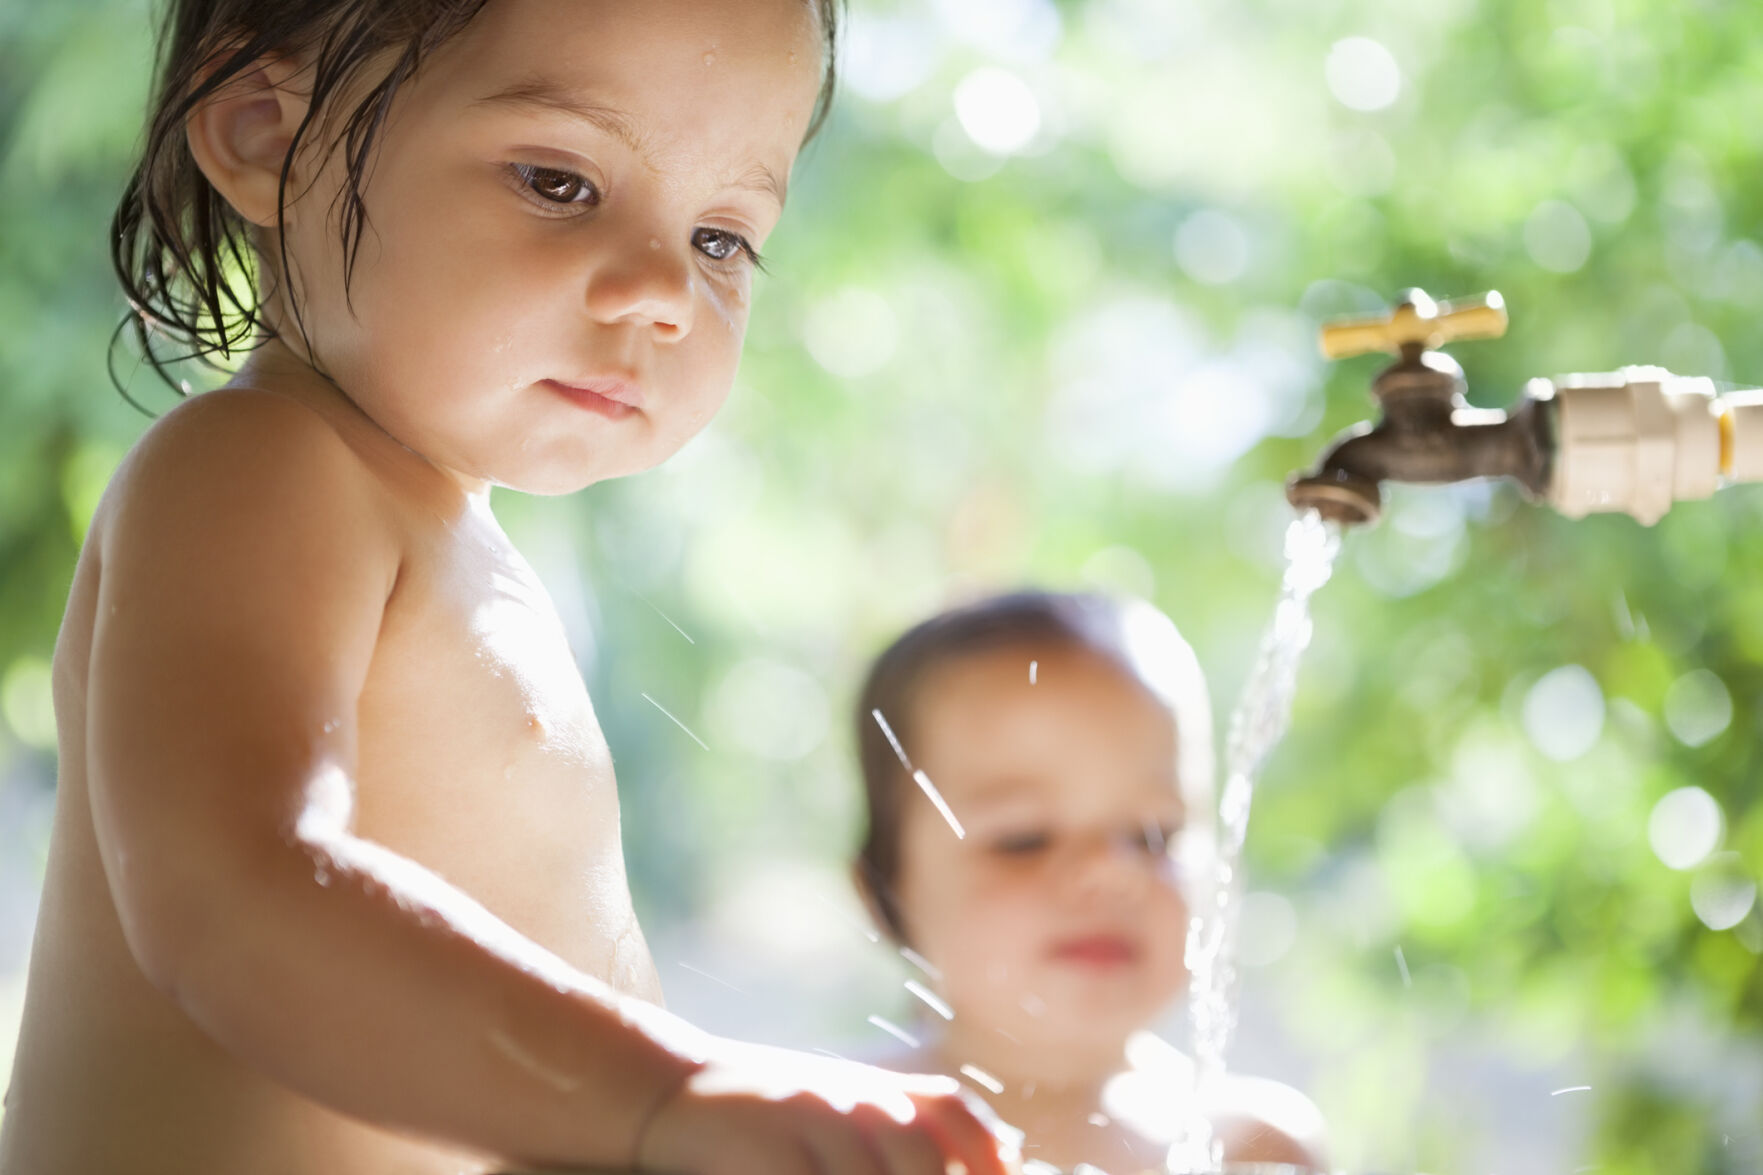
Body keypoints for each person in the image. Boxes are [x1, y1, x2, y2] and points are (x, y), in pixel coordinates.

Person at [0, 3, 1014, 1174]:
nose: (661, 290)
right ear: (262, 131)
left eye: (721, 238)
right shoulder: (258, 467)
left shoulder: (444, 543)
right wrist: (670, 1092)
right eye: (557, 181)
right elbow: (235, 894)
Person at [852, 591, 1330, 1173]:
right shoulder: (829, 1140)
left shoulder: (1252, 1149)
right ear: (883, 889)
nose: (1113, 871)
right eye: (1024, 839)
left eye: (1155, 834)